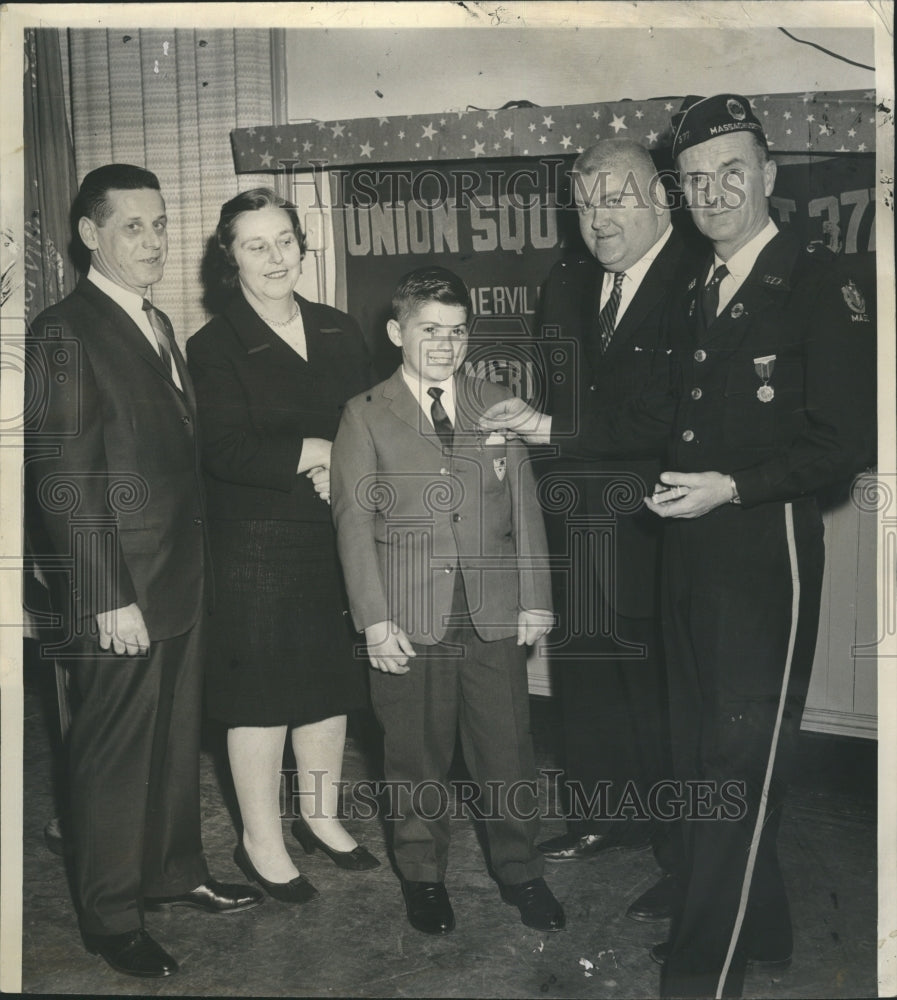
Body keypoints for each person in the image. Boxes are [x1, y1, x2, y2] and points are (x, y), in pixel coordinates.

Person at [480, 95, 872, 998]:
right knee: (706, 755)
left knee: (732, 763)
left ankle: (704, 974)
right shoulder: (707, 280)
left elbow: (843, 439)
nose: (715, 192)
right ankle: (760, 928)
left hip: (758, 544)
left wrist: (734, 486)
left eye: (732, 172)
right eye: (698, 178)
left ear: (769, 177)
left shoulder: (818, 279)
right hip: (691, 543)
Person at [25, 164, 262, 980]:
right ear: (91, 235)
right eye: (134, 226)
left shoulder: (154, 320)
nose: (155, 240)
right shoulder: (64, 329)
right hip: (120, 590)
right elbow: (63, 474)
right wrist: (105, 595)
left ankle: (172, 873)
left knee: (170, 741)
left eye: (160, 224)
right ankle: (110, 916)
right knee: (113, 757)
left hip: (179, 579)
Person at [330, 266, 564, 936]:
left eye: (457, 332)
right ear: (396, 332)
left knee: (506, 751)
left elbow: (523, 506)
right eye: (429, 330)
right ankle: (423, 876)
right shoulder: (364, 414)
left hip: (490, 613)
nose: (445, 344)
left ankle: (520, 871)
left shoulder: (496, 402)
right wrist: (374, 620)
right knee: (414, 756)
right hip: (407, 616)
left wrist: (536, 598)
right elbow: (352, 526)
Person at [186, 189, 379, 906]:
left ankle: (320, 817)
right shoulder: (211, 346)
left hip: (333, 534)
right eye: (255, 244)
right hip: (256, 546)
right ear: (228, 256)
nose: (275, 257)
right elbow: (225, 448)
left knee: (328, 688)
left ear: (303, 245)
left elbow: (367, 417)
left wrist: (351, 464)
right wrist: (319, 451)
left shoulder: (335, 328)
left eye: (285, 240)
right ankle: (260, 839)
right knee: (262, 699)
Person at [535, 139, 685, 922]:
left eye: (615, 198)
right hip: (575, 522)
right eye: (586, 202)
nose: (598, 217)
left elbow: (666, 413)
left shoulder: (695, 275)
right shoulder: (564, 282)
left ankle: (678, 851)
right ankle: (600, 817)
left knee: (662, 693)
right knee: (587, 681)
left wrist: (555, 433)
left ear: (661, 197)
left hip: (656, 526)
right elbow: (549, 391)